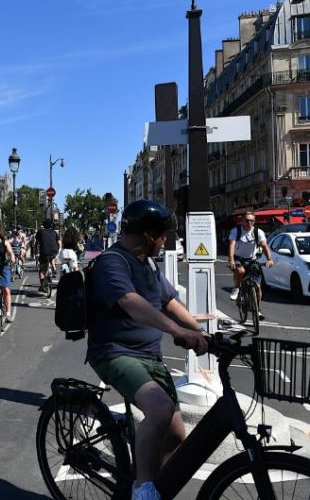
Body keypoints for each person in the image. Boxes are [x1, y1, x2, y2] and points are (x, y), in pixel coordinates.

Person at [86, 200, 209, 500]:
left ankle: (152, 481)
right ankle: (142, 488)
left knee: (177, 434)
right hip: (115, 352)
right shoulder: (112, 262)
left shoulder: (148, 264)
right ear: (149, 235)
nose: (166, 240)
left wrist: (199, 331)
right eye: (163, 234)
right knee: (160, 409)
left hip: (149, 356)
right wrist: (176, 330)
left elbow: (169, 301)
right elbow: (130, 302)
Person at [227, 212, 274, 311]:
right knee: (240, 271)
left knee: (257, 286)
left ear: (254, 221)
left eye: (252, 220)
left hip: (252, 259)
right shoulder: (236, 231)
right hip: (238, 258)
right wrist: (231, 259)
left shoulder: (258, 232)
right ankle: (236, 288)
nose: (249, 223)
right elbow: (232, 245)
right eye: (247, 221)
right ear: (242, 221)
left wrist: (269, 259)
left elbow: (264, 245)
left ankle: (257, 309)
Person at [35, 218, 60, 291]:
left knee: (41, 269)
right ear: (51, 225)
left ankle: (42, 286)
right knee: (52, 257)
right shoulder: (54, 232)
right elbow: (59, 243)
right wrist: (57, 250)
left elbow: (36, 244)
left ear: (43, 225)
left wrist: (35, 251)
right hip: (53, 251)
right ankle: (54, 267)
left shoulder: (40, 232)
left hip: (44, 252)